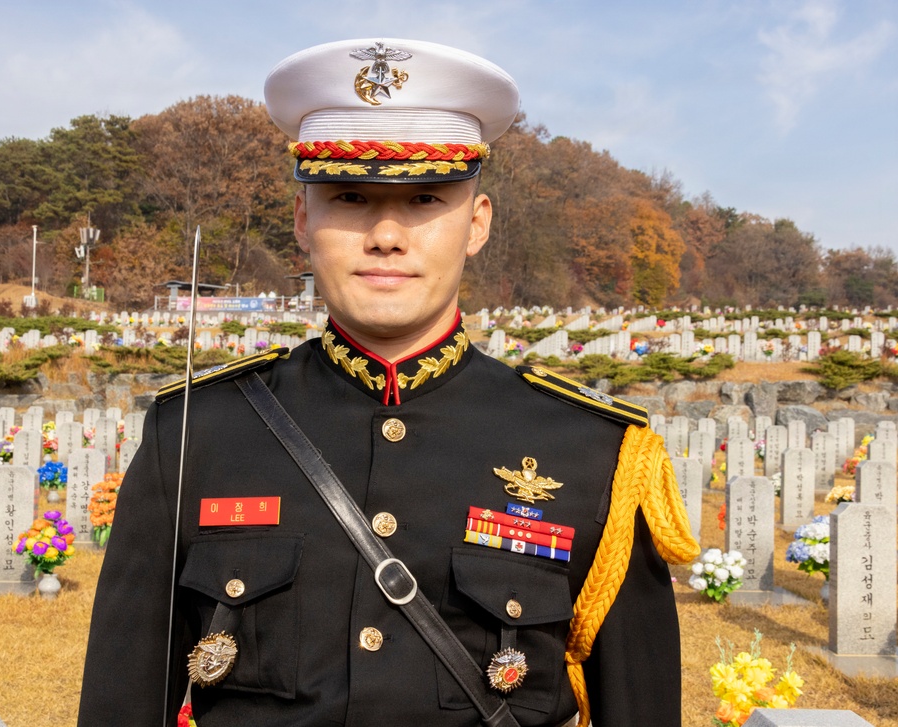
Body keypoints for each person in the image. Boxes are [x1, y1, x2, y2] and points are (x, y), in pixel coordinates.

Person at [78, 38, 699, 727]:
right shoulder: (196, 433)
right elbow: (121, 703)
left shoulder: (593, 451)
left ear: (477, 222)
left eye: (425, 196)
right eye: (348, 195)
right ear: (302, 219)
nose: (385, 233)